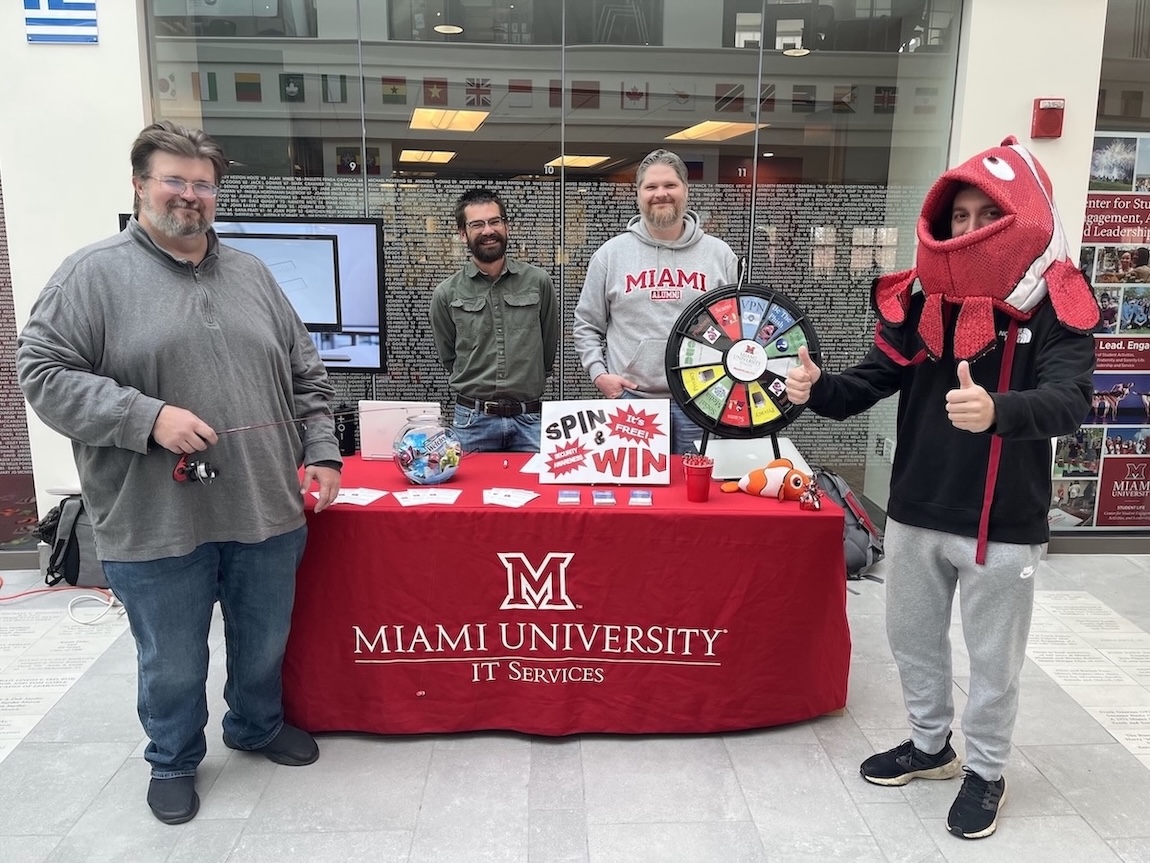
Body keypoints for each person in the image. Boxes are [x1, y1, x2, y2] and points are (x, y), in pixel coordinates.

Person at [16, 121, 342, 825]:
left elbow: (306, 372)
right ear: (139, 185)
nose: (190, 195)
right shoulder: (90, 275)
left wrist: (320, 451)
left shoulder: (252, 274)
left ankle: (254, 725)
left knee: (264, 639)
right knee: (172, 659)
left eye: (202, 184)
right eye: (174, 180)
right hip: (154, 515)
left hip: (264, 504)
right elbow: (40, 374)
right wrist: (147, 416)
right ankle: (173, 757)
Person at [785, 137, 1098, 841]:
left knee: (994, 659)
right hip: (918, 506)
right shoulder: (924, 296)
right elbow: (869, 381)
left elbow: (1071, 399)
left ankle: (987, 770)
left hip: (1004, 518)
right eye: (958, 215)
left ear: (1018, 214)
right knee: (912, 640)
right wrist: (815, 389)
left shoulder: (1055, 298)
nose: (968, 228)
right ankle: (932, 748)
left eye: (986, 213)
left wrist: (999, 412)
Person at [573, 149, 739, 455]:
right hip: (633, 403)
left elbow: (736, 331)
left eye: (670, 185)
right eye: (651, 187)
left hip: (701, 401)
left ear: (686, 190)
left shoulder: (720, 256)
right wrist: (600, 376)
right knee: (634, 498)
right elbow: (586, 324)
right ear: (638, 194)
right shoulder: (610, 256)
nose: (660, 194)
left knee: (696, 495)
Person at [430, 188, 558, 452]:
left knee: (539, 491)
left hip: (530, 421)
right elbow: (449, 357)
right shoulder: (447, 293)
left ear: (506, 226)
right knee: (468, 493)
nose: (488, 230)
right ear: (463, 233)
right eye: (477, 224)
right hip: (472, 422)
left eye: (494, 221)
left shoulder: (538, 282)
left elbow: (548, 347)